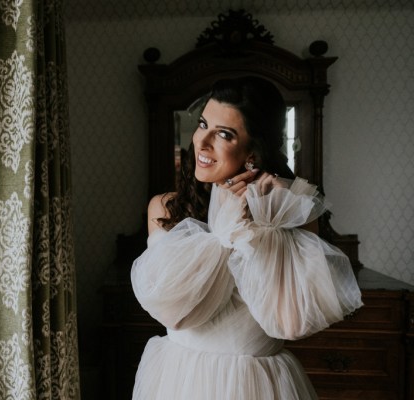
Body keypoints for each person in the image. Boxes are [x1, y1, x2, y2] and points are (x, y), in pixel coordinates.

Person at [130, 76, 363, 399]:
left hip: (253, 385)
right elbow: (175, 315)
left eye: (224, 134)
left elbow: (292, 323)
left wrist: (265, 224)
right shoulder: (166, 208)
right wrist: (225, 233)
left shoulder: (288, 215)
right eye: (202, 125)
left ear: (253, 150)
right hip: (178, 379)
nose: (202, 141)